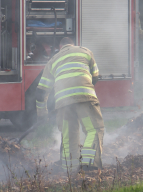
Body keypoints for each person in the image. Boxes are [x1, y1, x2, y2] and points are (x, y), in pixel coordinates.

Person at [36, 37, 105, 170]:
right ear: (73, 45)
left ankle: (69, 169)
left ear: (60, 47)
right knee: (93, 129)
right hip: (84, 99)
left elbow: (41, 92)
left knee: (69, 135)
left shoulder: (53, 60)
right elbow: (95, 76)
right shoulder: (85, 52)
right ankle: (89, 166)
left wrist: (42, 114)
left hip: (63, 103)